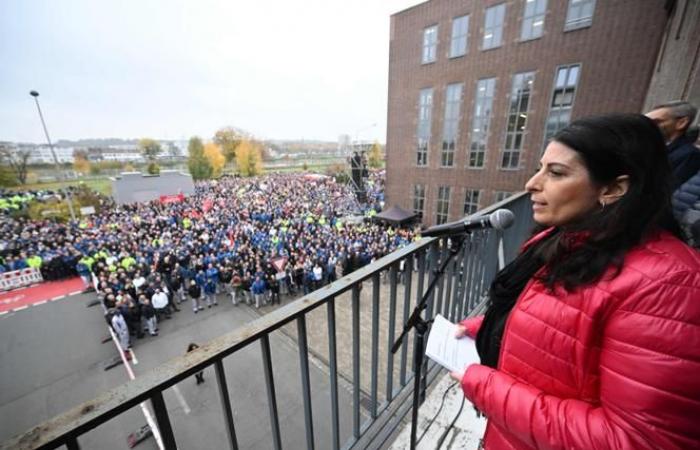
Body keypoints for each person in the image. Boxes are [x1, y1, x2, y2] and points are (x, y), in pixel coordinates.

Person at [450, 114, 700, 450]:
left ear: (613, 189)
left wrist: (487, 387)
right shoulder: (566, 238)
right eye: (541, 167)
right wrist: (495, 327)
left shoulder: (669, 285)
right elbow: (568, 332)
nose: (532, 184)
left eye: (555, 173)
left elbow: (634, 440)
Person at [645, 100, 700, 189]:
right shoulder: (650, 147)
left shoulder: (690, 155)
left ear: (681, 123)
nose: (647, 126)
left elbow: (669, 189)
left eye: (656, 122)